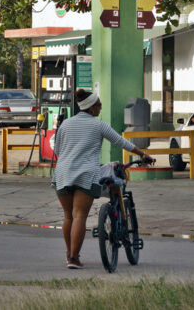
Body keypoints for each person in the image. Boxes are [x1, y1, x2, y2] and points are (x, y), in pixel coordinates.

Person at [52, 89, 155, 269]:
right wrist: (143, 154)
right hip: (86, 174)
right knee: (79, 215)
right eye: (98, 104)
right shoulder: (98, 125)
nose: (100, 107)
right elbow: (121, 142)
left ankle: (70, 255)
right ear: (91, 108)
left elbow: (58, 151)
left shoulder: (66, 124)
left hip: (62, 173)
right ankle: (74, 258)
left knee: (68, 216)